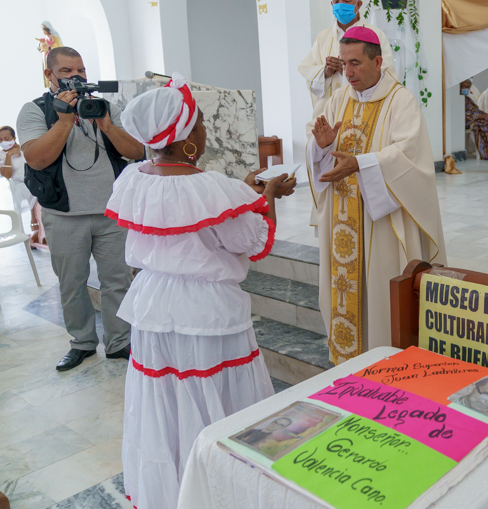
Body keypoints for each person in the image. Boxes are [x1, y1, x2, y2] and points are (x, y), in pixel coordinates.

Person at [106, 73, 296, 509]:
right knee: (220, 403)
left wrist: (243, 195)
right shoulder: (215, 189)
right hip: (207, 313)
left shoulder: (134, 179)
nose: (206, 130)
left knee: (167, 406)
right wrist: (265, 196)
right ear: (186, 138)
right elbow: (251, 240)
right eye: (201, 123)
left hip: (153, 307)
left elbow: (181, 208)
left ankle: (176, 494)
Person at [307, 27, 446, 364]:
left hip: (381, 223)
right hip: (343, 223)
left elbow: (411, 159)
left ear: (378, 61)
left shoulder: (401, 101)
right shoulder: (338, 99)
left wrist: (362, 165)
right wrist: (322, 147)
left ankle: (384, 362)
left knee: (381, 295)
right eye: (343, 63)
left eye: (355, 63)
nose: (348, 72)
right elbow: (319, 159)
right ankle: (348, 363)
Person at [17, 47, 145, 371]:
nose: (76, 76)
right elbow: (36, 158)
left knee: (117, 280)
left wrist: (106, 124)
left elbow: (136, 151)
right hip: (63, 215)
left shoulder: (104, 107)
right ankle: (82, 343)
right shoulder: (35, 110)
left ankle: (119, 343)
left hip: (111, 211)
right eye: (66, 71)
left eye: (81, 70)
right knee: (72, 284)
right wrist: (63, 120)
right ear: (49, 75)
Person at [298, 0, 397, 231]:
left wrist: (345, 69)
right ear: (331, 4)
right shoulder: (323, 38)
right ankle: (331, 220)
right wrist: (325, 71)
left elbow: (386, 74)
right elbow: (307, 71)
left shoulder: (375, 36)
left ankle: (368, 217)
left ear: (358, 4)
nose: (340, 4)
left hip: (364, 114)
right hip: (330, 114)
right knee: (326, 161)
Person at [0, 126, 44, 246]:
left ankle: (38, 228)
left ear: (14, 138)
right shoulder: (1, 155)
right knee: (33, 193)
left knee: (38, 189)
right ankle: (39, 230)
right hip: (18, 184)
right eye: (0, 140)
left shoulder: (24, 149)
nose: (3, 141)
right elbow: (7, 175)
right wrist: (9, 156)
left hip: (32, 180)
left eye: (6, 138)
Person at [35, 22, 62, 88]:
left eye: (44, 28)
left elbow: (58, 47)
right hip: (46, 56)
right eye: (42, 29)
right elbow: (41, 44)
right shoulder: (46, 37)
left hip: (53, 57)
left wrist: (48, 48)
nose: (43, 30)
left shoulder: (54, 37)